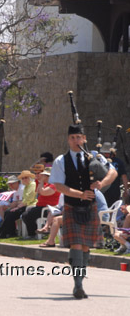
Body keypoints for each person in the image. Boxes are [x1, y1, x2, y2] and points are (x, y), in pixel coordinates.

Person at [49, 124, 117, 299]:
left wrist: (101, 183)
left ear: (84, 139)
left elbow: (113, 172)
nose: (76, 140)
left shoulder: (93, 156)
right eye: (72, 138)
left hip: (90, 208)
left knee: (86, 246)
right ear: (68, 139)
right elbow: (58, 186)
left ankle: (80, 277)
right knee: (77, 244)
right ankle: (78, 285)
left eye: (79, 137)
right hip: (72, 206)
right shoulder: (60, 160)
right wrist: (80, 193)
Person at [0, 170, 37, 239]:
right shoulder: (26, 186)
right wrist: (15, 206)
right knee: (8, 212)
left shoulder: (32, 185)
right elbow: (18, 201)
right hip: (25, 205)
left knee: (10, 213)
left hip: (29, 205)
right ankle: (10, 232)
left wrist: (17, 207)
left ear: (29, 177)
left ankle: (3, 233)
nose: (24, 179)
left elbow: (28, 199)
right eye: (23, 178)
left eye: (26, 177)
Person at [21, 168, 61, 238]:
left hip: (48, 208)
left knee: (27, 215)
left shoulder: (53, 185)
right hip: (40, 207)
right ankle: (33, 233)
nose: (42, 176)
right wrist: (40, 182)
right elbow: (38, 191)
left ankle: (33, 234)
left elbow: (43, 192)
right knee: (26, 214)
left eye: (44, 175)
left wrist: (41, 181)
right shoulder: (46, 184)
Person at [100, 142, 129, 207]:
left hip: (113, 189)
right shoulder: (101, 161)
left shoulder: (118, 162)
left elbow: (124, 176)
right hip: (103, 189)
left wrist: (126, 190)